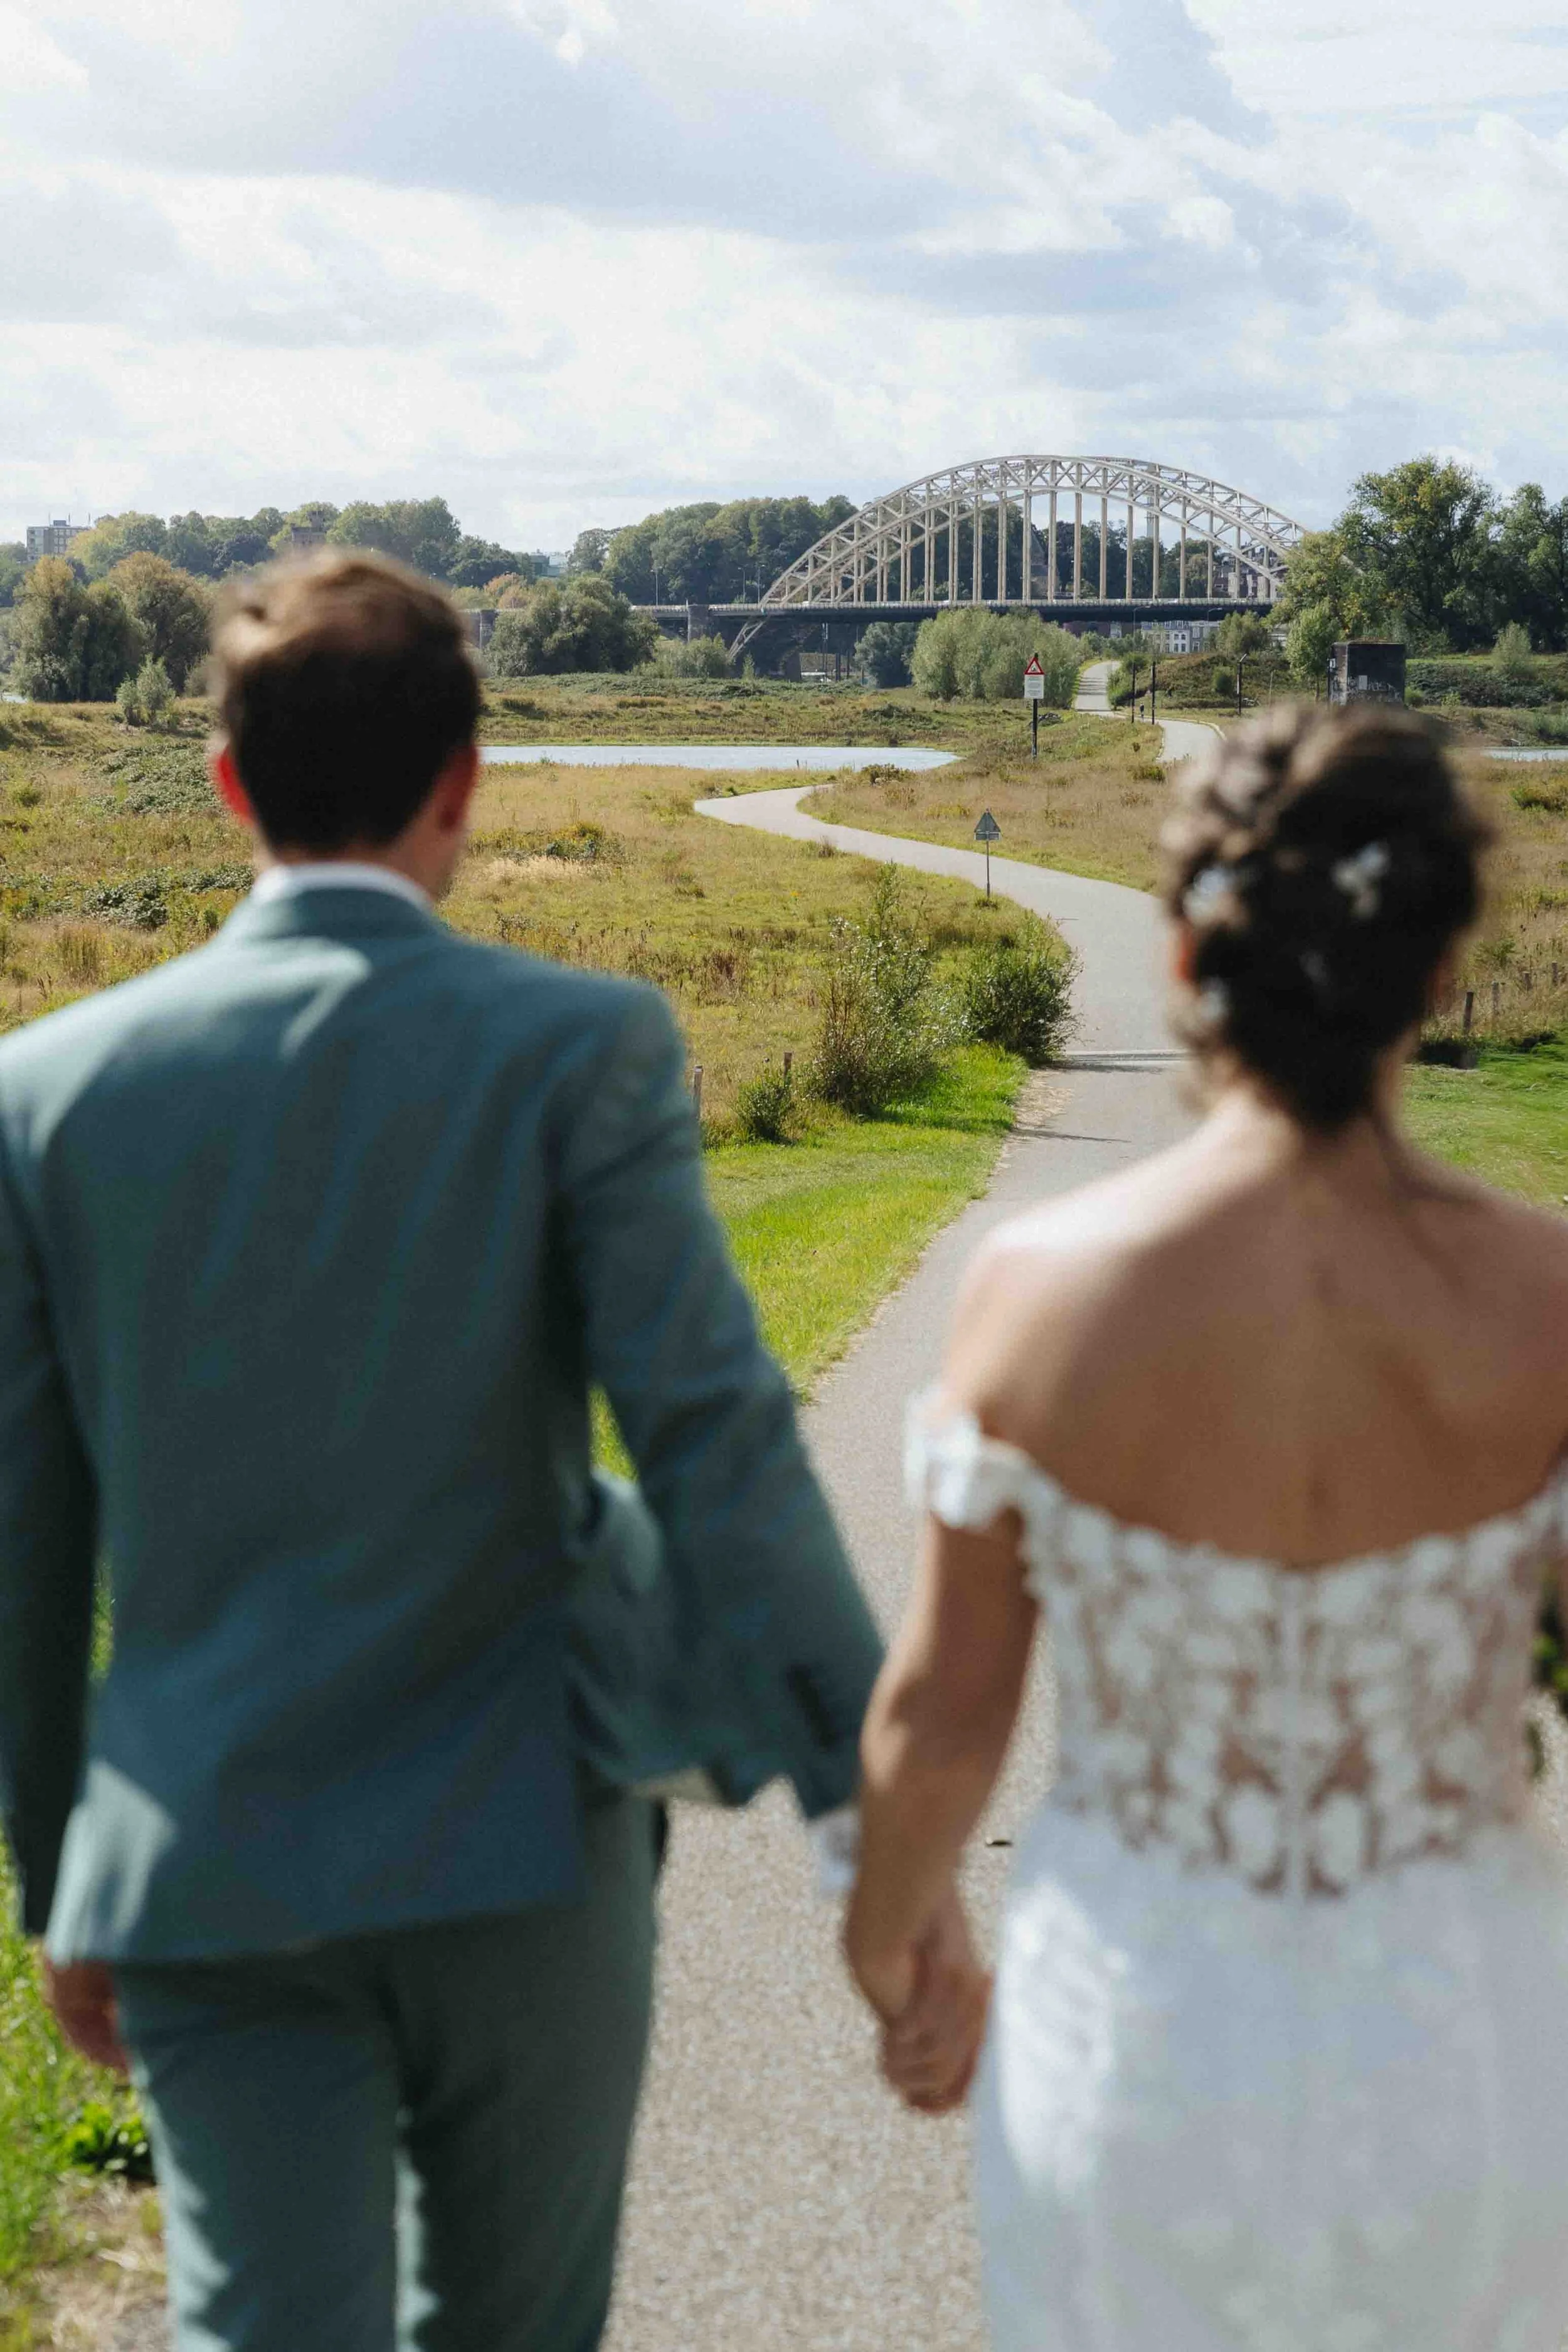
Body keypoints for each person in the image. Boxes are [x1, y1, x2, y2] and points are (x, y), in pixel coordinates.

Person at [0, 551, 883, 2352]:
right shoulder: (579, 1049)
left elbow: (27, 1540)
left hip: (206, 1854)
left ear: (227, 782)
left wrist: (57, 1874)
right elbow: (714, 1438)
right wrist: (870, 1817)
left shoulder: (48, 1095)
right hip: (524, 1846)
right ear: (463, 782)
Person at [845, 703, 1568, 2348]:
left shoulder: (1040, 1292)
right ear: (1437, 970)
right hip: (1472, 2047)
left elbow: (944, 1718)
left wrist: (898, 1963)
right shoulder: (1545, 1303)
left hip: (1141, 2041)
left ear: (1184, 955)